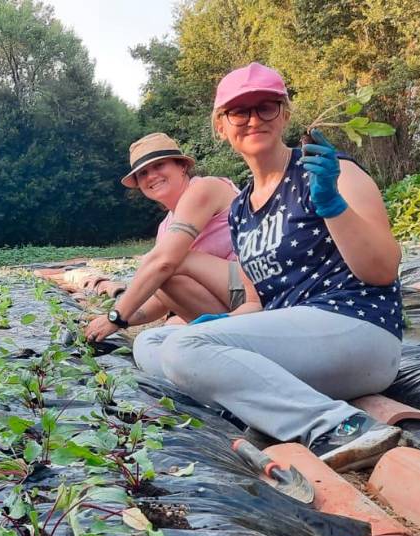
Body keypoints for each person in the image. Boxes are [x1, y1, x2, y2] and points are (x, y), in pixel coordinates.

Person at [133, 63, 403, 472]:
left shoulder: (330, 172)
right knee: (149, 345)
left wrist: (332, 205)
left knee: (183, 347)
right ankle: (249, 397)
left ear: (285, 114)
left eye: (266, 107)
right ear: (221, 126)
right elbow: (258, 301)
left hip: (356, 328)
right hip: (295, 340)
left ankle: (341, 425)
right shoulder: (242, 208)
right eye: (239, 112)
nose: (253, 119)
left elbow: (382, 271)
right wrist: (214, 329)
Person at [84, 133, 241, 342]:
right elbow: (163, 299)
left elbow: (165, 263)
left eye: (159, 165)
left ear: (182, 166)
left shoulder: (204, 188)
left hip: (255, 289)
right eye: (143, 173)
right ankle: (231, 339)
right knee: (162, 328)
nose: (151, 176)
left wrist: (115, 317)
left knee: (172, 260)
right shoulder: (165, 228)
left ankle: (240, 332)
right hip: (229, 303)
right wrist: (116, 321)